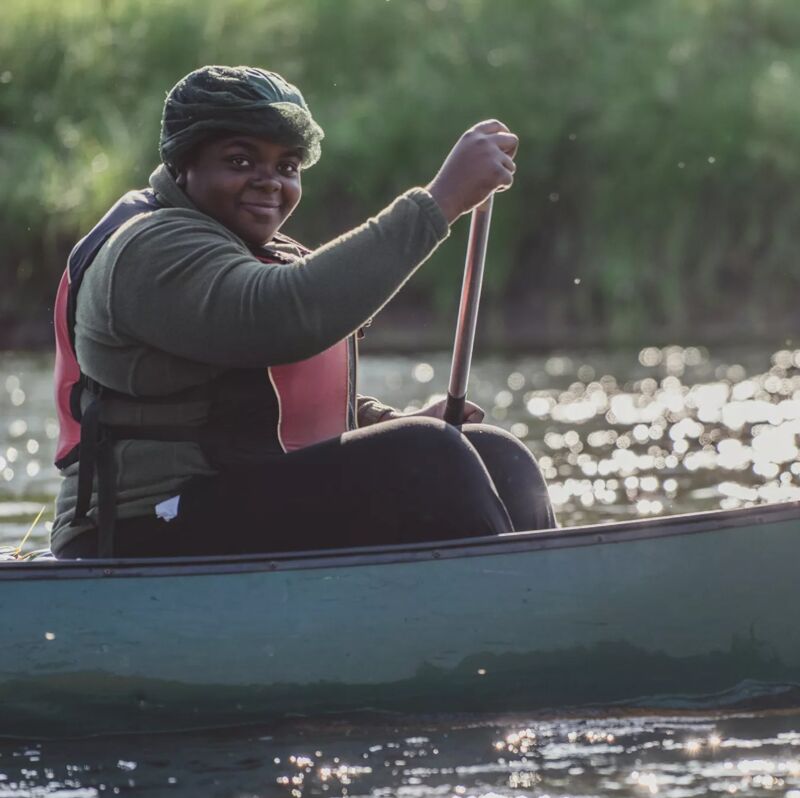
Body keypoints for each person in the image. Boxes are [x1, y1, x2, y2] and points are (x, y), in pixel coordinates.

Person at [51, 65, 555, 559]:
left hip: (235, 502)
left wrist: (383, 424)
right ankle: (515, 620)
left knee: (493, 453)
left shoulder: (249, 247)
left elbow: (265, 399)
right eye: (241, 161)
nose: (270, 182)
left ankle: (543, 601)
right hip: (142, 530)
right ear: (185, 166)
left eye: (287, 167)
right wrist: (440, 201)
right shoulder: (150, 248)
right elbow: (280, 316)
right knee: (429, 457)